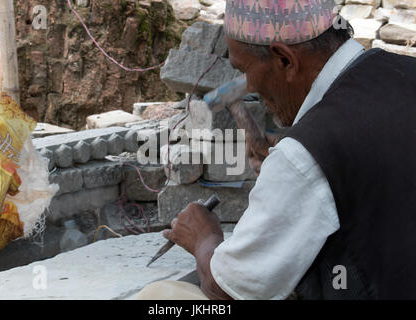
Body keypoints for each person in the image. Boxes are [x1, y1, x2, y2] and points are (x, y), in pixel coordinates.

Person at [136, 0, 416, 300]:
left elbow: (228, 290)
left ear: (284, 59)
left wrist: (204, 239)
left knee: (160, 299)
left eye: (244, 69)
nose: (249, 86)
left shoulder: (307, 153)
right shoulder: (404, 72)